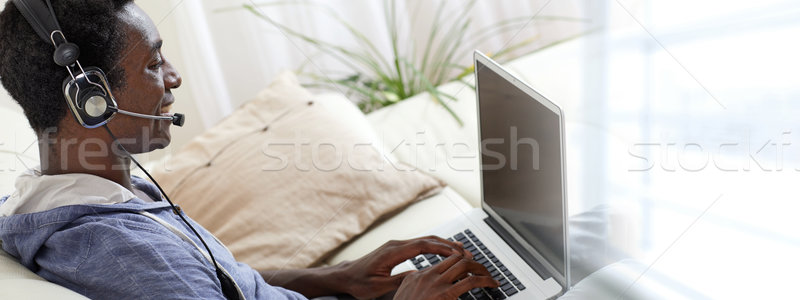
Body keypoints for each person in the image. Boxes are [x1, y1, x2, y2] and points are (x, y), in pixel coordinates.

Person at [0, 1, 500, 299]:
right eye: (154, 64)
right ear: (90, 99)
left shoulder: (69, 196)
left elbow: (220, 283)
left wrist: (336, 278)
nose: (173, 77)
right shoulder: (126, 253)